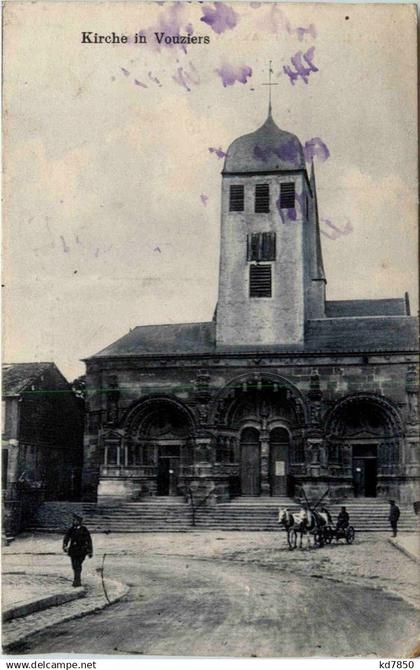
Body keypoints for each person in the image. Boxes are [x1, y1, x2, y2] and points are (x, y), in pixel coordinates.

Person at [63, 514, 93, 587]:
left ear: (80, 522)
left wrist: (90, 551)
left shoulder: (84, 529)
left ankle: (77, 580)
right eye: (74, 520)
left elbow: (89, 540)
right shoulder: (71, 529)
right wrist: (65, 545)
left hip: (81, 550)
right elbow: (67, 537)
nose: (74, 522)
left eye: (76, 520)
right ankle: (76, 580)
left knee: (78, 565)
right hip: (73, 550)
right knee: (74, 565)